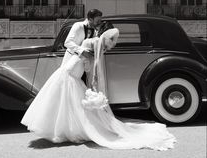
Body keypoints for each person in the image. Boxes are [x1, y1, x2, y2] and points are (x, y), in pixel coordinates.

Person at [21, 19, 176, 150]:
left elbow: (92, 63)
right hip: (71, 71)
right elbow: (90, 61)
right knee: (66, 103)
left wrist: (92, 77)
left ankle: (62, 130)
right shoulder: (92, 42)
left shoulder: (91, 42)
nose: (112, 43)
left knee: (64, 103)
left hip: (71, 71)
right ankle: (64, 130)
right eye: (111, 40)